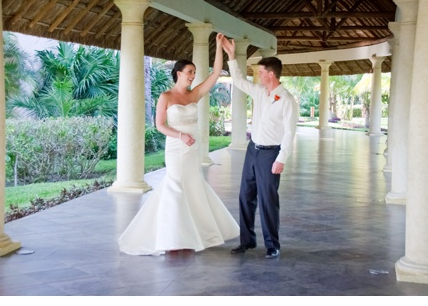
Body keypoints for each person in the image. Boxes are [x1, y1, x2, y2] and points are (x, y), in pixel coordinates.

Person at [118, 33, 239, 255]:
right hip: (175, 148)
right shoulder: (166, 96)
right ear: (178, 73)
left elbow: (215, 73)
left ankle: (194, 233)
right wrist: (180, 136)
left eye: (194, 72)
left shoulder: (195, 95)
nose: (193, 75)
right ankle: (172, 237)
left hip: (193, 149)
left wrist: (219, 46)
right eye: (190, 72)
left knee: (193, 185)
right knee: (175, 186)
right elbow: (159, 125)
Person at [224, 43, 298, 259]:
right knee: (245, 196)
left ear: (271, 74)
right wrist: (230, 54)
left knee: (268, 200)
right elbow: (237, 80)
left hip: (270, 154)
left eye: (261, 72)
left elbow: (289, 132)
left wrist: (281, 158)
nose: (258, 75)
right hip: (252, 150)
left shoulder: (287, 100)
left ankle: (272, 245)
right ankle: (247, 241)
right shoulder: (258, 92)